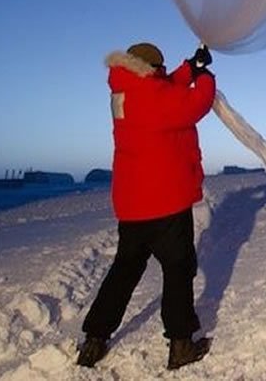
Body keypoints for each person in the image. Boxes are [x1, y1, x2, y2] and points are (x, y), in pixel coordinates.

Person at [76, 42, 216, 370]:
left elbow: (163, 92)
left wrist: (190, 68)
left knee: (124, 272)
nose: (164, 73)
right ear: (151, 69)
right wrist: (205, 77)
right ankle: (181, 345)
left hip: (132, 206)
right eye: (161, 68)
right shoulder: (155, 95)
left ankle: (94, 340)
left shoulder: (124, 92)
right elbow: (195, 103)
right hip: (165, 203)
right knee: (178, 270)